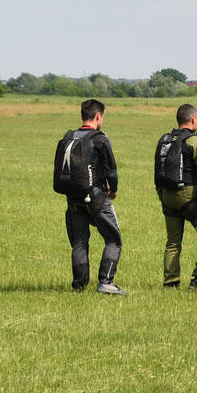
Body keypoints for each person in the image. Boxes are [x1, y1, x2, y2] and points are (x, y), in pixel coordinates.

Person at [54, 98, 125, 295]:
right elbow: (111, 171)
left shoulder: (69, 136)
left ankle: (79, 286)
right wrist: (113, 189)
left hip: (73, 198)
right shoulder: (99, 138)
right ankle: (106, 281)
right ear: (98, 116)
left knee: (79, 241)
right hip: (96, 197)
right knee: (113, 239)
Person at [155, 103, 197, 290]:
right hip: (188, 198)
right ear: (193, 119)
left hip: (167, 196)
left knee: (173, 241)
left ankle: (171, 282)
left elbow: (158, 172)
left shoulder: (164, 140)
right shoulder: (195, 141)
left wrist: (162, 197)